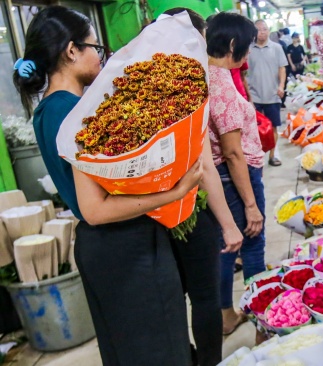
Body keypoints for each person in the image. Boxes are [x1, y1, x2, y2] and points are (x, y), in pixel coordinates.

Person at [13, 6, 231, 365]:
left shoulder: (48, 110)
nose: (102, 60)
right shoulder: (77, 114)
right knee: (159, 350)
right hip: (125, 245)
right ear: (71, 51)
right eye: (94, 49)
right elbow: (95, 209)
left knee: (131, 349)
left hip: (103, 246)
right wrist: (173, 192)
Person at [161, 8, 246, 365]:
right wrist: (229, 224)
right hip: (189, 205)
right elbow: (205, 164)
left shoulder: (142, 84)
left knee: (173, 298)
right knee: (205, 296)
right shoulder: (187, 86)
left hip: (154, 210)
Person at [206, 13, 268, 344]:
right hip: (235, 177)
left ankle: (226, 315)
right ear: (232, 44)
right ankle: (263, 324)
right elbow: (233, 154)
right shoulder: (223, 89)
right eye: (246, 44)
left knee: (225, 248)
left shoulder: (204, 75)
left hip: (220, 178)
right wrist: (251, 204)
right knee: (253, 243)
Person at [248, 19, 288, 167]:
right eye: (258, 29)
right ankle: (257, 157)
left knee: (273, 127)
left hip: (272, 94)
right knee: (254, 129)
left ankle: (272, 156)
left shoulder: (277, 48)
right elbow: (243, 72)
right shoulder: (248, 49)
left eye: (264, 29)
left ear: (269, 30)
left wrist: (281, 86)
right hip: (254, 95)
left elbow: (282, 68)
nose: (262, 32)